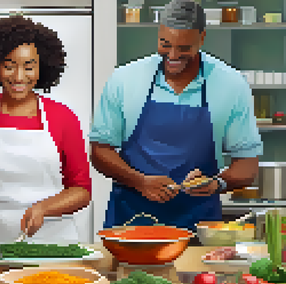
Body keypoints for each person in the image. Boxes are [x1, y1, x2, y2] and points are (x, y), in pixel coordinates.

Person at [90, 0, 262, 244]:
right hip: (131, 224)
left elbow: (247, 164)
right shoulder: (125, 79)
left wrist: (217, 183)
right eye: (165, 44)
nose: (172, 56)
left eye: (184, 47)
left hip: (199, 228)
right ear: (158, 33)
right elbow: (99, 151)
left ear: (202, 38)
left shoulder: (231, 84)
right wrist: (140, 181)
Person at [0, 16, 92, 245]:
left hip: (53, 240)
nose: (18, 77)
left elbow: (81, 190)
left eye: (29, 67)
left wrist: (43, 209)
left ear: (43, 67)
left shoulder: (63, 117)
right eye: (9, 66)